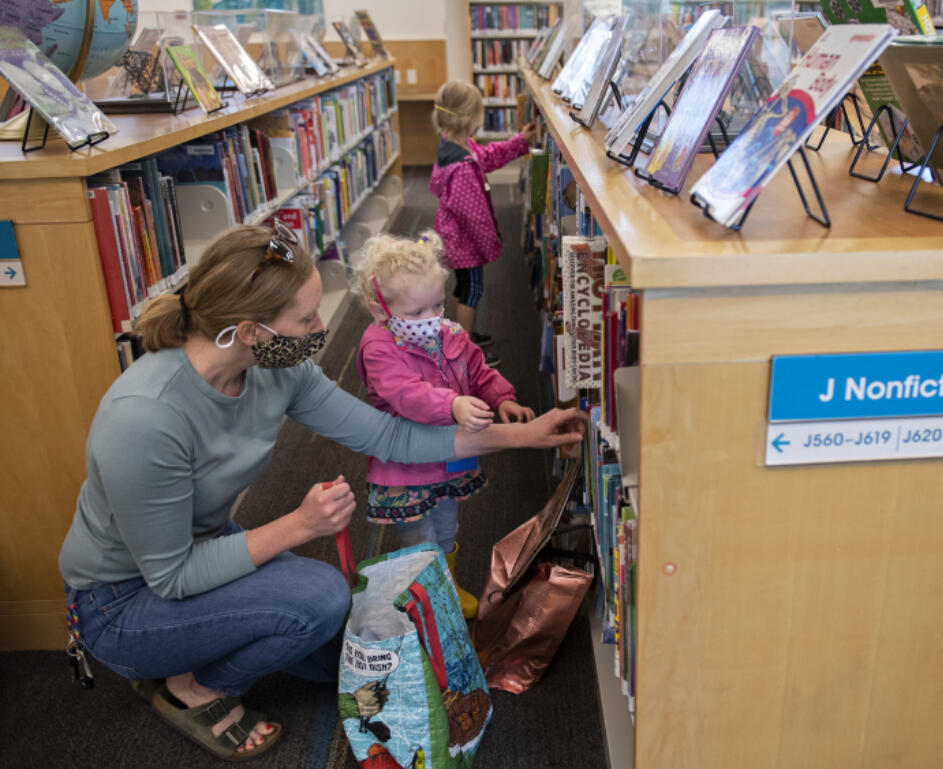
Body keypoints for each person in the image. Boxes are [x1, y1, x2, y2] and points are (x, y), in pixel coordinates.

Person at [57, 224, 584, 762]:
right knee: (321, 600)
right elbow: (172, 577)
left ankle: (196, 652)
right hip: (124, 600)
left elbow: (389, 435)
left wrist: (522, 434)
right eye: (306, 318)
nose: (322, 325)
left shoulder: (274, 369)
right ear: (248, 330)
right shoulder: (145, 418)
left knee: (348, 653)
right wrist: (300, 526)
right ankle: (188, 687)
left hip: (204, 549)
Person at [350, 232, 534, 619]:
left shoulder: (448, 332)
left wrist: (504, 398)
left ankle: (443, 587)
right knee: (419, 541)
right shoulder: (378, 347)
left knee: (447, 530)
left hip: (450, 458)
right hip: (405, 469)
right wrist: (452, 405)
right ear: (379, 309)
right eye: (416, 313)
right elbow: (406, 394)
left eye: (437, 305)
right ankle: (425, 603)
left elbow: (478, 368)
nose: (430, 319)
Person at [428, 79, 536, 368]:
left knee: (464, 288)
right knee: (472, 291)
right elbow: (474, 217)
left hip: (457, 239)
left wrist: (518, 144)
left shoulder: (456, 148)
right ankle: (464, 351)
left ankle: (460, 334)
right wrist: (491, 246)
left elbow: (486, 156)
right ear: (472, 120)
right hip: (466, 244)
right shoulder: (463, 167)